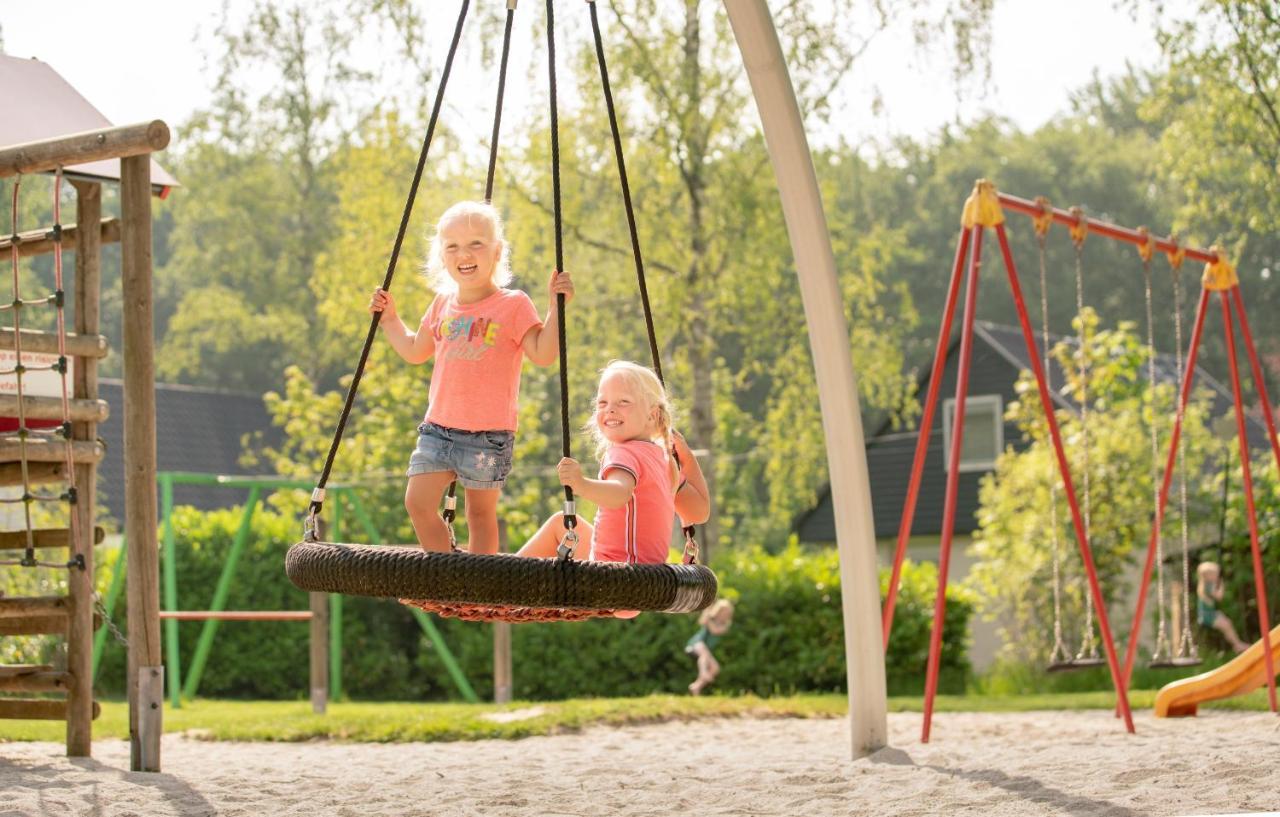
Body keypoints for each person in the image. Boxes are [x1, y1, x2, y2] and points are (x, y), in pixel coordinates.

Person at [369, 200, 574, 554]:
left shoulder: (513, 304)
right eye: (453, 246)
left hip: (488, 435)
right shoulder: (441, 304)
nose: (464, 253)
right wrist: (389, 320)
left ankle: (480, 588)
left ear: (497, 252)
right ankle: (447, 575)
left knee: (480, 515)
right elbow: (415, 350)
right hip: (437, 429)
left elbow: (543, 353)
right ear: (443, 257)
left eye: (476, 243)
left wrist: (556, 308)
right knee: (417, 503)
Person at [515, 360, 710, 575]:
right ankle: (506, 575)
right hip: (649, 578)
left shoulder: (624, 452)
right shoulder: (662, 460)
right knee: (565, 525)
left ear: (652, 415)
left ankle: (503, 580)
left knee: (558, 525)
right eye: (602, 403)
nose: (610, 410)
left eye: (623, 402)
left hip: (617, 573)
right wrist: (685, 456)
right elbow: (699, 512)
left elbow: (620, 493)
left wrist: (581, 484)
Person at [1197, 561, 1249, 654]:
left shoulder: (1208, 585)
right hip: (1208, 615)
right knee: (1226, 625)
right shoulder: (1207, 586)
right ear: (1207, 576)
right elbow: (1219, 597)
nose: (1216, 576)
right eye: (1214, 574)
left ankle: (1237, 644)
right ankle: (1237, 645)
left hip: (1211, 613)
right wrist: (1221, 585)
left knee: (1227, 624)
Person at [685, 598, 734, 695]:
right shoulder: (710, 618)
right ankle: (703, 672)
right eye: (723, 612)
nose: (724, 615)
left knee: (715, 668)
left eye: (727, 614)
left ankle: (696, 686)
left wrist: (708, 618)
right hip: (695, 645)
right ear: (718, 611)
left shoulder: (725, 625)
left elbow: (715, 631)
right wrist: (707, 612)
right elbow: (701, 622)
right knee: (703, 650)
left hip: (704, 650)